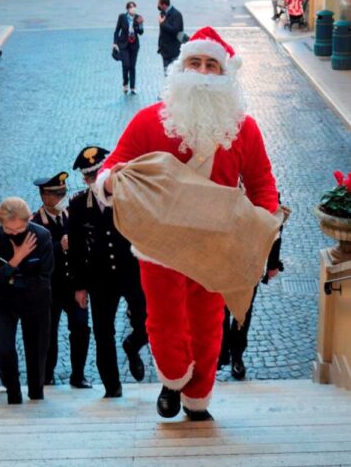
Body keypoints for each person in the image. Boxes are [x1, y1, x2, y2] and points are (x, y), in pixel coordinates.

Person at [97, 26, 279, 421]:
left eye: (211, 64)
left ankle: (198, 396)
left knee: (208, 323)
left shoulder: (244, 129)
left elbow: (263, 183)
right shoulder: (149, 121)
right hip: (160, 243)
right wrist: (110, 182)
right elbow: (113, 165)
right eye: (194, 62)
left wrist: (262, 228)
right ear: (180, 69)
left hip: (216, 245)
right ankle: (173, 379)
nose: (201, 70)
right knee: (164, 319)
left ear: (225, 75)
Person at [68, 146, 148, 399]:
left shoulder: (130, 197)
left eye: (99, 173)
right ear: (85, 179)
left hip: (132, 272)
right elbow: (77, 248)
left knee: (147, 323)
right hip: (100, 278)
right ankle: (112, 387)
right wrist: (79, 285)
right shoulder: (79, 204)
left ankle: (133, 345)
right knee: (103, 333)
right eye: (90, 176)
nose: (95, 180)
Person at [0, 197, 53, 404]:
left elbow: (44, 278)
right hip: (5, 302)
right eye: (9, 231)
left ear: (29, 219)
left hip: (36, 302)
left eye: (19, 229)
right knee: (4, 349)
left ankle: (36, 393)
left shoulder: (42, 236)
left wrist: (9, 277)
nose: (14, 234)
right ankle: (13, 394)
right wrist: (16, 259)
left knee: (37, 351)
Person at [31, 172, 91, 389]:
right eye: (57, 195)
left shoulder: (73, 215)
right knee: (48, 332)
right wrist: (59, 246)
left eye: (63, 193)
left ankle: (79, 374)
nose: (62, 198)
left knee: (81, 327)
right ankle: (47, 374)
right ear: (45, 197)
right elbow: (34, 258)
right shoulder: (36, 222)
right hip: (49, 289)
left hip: (74, 286)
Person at [218, 218, 285, 380]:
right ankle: (221, 352)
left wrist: (272, 263)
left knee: (244, 309)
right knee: (220, 307)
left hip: (251, 258)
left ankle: (236, 354)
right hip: (219, 255)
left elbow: (274, 220)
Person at [113, 1, 144, 95]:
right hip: (123, 44)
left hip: (134, 45)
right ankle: (125, 83)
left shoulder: (138, 17)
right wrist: (115, 43)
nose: (133, 9)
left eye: (134, 7)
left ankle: (133, 87)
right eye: (131, 7)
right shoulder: (122, 17)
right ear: (127, 9)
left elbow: (141, 32)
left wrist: (140, 24)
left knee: (132, 66)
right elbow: (117, 31)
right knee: (126, 65)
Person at [157, 0, 184, 76]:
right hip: (164, 50)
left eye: (159, 4)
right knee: (166, 74)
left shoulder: (176, 14)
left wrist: (163, 23)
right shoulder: (162, 13)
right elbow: (162, 32)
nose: (158, 6)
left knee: (174, 74)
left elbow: (175, 30)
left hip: (173, 50)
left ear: (164, 5)